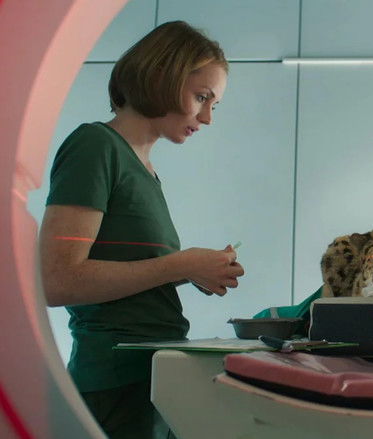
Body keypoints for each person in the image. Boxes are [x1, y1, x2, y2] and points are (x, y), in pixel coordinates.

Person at [38, 21, 244, 439]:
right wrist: (179, 264)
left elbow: (126, 273)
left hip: (147, 376)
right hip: (114, 382)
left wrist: (192, 270)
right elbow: (57, 280)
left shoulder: (144, 169)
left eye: (214, 105)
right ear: (162, 76)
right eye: (201, 97)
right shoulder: (96, 146)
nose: (207, 118)